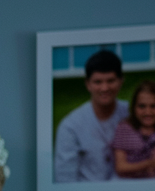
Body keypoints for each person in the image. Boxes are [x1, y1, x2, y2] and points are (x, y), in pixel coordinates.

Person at [53, 50, 129, 183]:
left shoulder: (134, 114)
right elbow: (65, 179)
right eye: (97, 82)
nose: (104, 88)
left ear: (121, 81)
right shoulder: (70, 126)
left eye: (110, 81)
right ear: (88, 84)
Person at [112, 80, 155, 179]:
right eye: (142, 106)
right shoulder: (125, 128)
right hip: (129, 186)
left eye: (153, 106)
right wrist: (151, 163)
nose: (148, 112)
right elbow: (120, 168)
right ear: (134, 108)